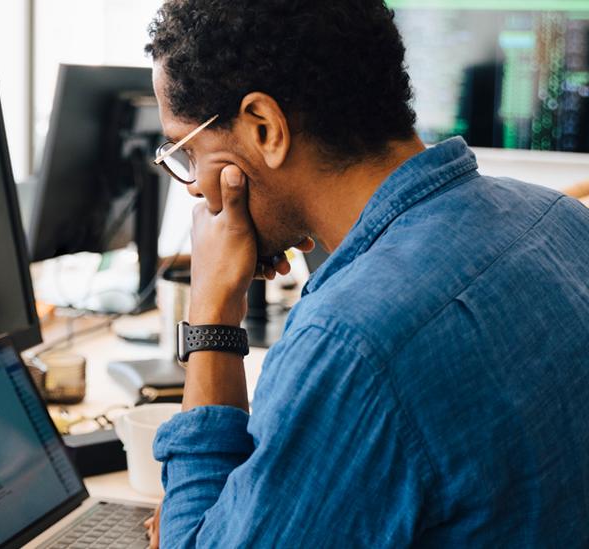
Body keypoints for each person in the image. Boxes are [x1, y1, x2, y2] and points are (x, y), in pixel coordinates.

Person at [143, 0, 589, 547]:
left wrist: (212, 309)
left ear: (265, 127)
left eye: (188, 151)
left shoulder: (350, 345)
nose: (191, 186)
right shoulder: (561, 219)